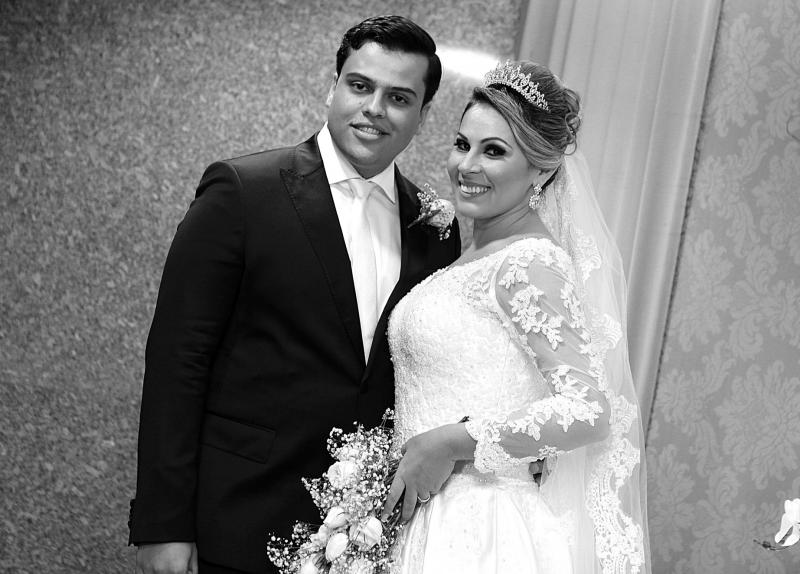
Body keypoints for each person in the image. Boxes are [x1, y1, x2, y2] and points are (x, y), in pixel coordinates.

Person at [128, 15, 461, 574]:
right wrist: (164, 525)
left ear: (422, 115)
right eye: (360, 86)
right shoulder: (242, 192)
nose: (375, 108)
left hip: (365, 534)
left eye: (399, 97)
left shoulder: (435, 230)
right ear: (333, 87)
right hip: (234, 518)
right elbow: (177, 362)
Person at [382, 61, 650, 573]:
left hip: (479, 529)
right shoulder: (472, 256)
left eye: (494, 151)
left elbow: (589, 410)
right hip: (421, 516)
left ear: (542, 170)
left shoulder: (530, 262)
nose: (467, 165)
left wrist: (450, 442)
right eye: (462, 144)